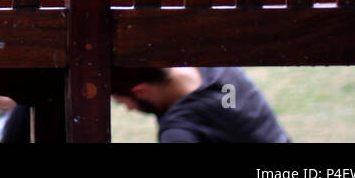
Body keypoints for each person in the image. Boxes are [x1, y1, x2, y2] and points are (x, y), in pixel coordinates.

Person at [112, 66, 290, 143]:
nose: (129, 109)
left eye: (123, 102)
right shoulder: (220, 67)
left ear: (141, 91)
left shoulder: (178, 132)